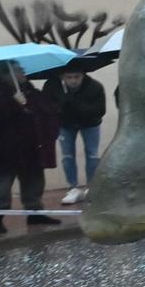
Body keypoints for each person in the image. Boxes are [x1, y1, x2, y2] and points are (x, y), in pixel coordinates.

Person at [0, 61, 63, 233]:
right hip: (3, 149)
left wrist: (51, 130)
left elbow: (46, 111)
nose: (23, 73)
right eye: (19, 70)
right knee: (2, 185)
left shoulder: (30, 91)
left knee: (34, 182)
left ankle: (35, 212)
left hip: (32, 147)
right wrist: (13, 103)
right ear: (4, 74)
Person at [43, 68, 107, 205]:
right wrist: (62, 105)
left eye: (77, 76)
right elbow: (47, 107)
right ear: (62, 77)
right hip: (65, 124)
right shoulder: (52, 86)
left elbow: (100, 110)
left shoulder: (94, 87)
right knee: (67, 156)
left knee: (92, 155)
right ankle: (73, 188)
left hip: (90, 123)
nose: (73, 81)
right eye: (69, 77)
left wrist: (76, 104)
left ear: (83, 75)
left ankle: (91, 187)